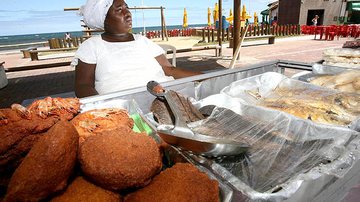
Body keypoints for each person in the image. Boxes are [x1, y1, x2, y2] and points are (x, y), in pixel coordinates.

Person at [72, 0, 201, 98]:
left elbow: (169, 69)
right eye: (119, 10)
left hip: (164, 95)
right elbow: (83, 86)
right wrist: (102, 109)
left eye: (127, 8)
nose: (127, 13)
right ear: (104, 19)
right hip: (120, 104)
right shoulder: (92, 46)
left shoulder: (142, 40)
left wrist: (206, 77)